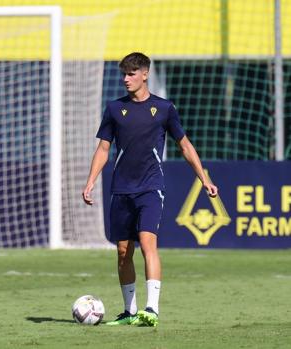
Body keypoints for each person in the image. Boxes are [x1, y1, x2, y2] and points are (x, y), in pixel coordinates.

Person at [82, 52, 217, 327]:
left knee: (147, 243)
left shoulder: (164, 108)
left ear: (145, 74)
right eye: (123, 74)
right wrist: (91, 181)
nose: (125, 79)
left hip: (150, 187)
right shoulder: (113, 109)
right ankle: (129, 311)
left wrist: (204, 179)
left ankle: (151, 310)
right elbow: (104, 148)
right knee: (122, 251)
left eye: (131, 73)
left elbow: (185, 145)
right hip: (121, 189)